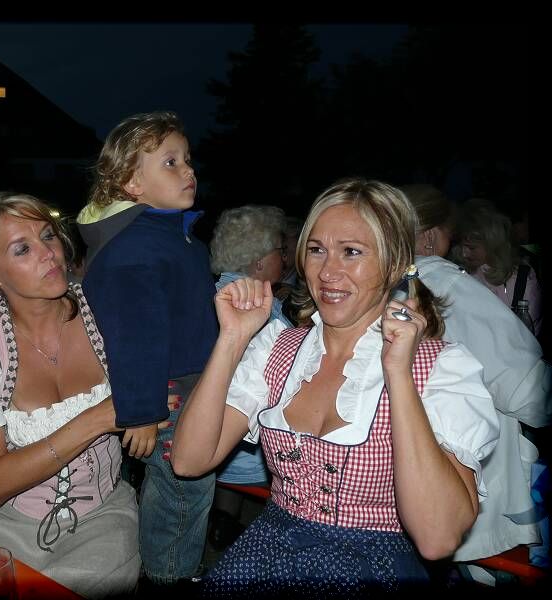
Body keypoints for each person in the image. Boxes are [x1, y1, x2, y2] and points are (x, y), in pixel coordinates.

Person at [171, 178, 500, 597]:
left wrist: (398, 375)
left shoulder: (440, 369)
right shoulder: (278, 349)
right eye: (316, 249)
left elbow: (437, 538)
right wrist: (232, 339)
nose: (327, 272)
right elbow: (189, 461)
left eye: (351, 251)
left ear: (395, 264)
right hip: (266, 556)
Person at [0, 192, 144, 599]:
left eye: (48, 235)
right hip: (3, 521)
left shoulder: (107, 306)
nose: (49, 253)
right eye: (22, 248)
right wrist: (101, 417)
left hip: (102, 516)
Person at [76, 111, 219, 586]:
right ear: (131, 183)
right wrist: (142, 411)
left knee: (183, 483)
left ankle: (167, 565)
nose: (188, 170)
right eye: (170, 162)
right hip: (166, 391)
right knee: (184, 485)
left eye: (187, 159)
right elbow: (133, 333)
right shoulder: (135, 249)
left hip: (188, 382)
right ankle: (168, 577)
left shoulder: (174, 237)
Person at [401, 183, 552, 566]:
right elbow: (524, 387)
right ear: (431, 235)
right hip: (463, 480)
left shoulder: (372, 282)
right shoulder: (449, 288)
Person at [207, 204, 291, 550]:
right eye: (280, 251)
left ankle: (222, 528)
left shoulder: (215, 293)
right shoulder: (259, 310)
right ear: (258, 262)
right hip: (243, 449)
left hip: (215, 440)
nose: (285, 259)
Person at [453, 198, 543, 336]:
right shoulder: (459, 273)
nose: (464, 253)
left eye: (472, 248)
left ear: (492, 245)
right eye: (462, 246)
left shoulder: (523, 278)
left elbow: (529, 332)